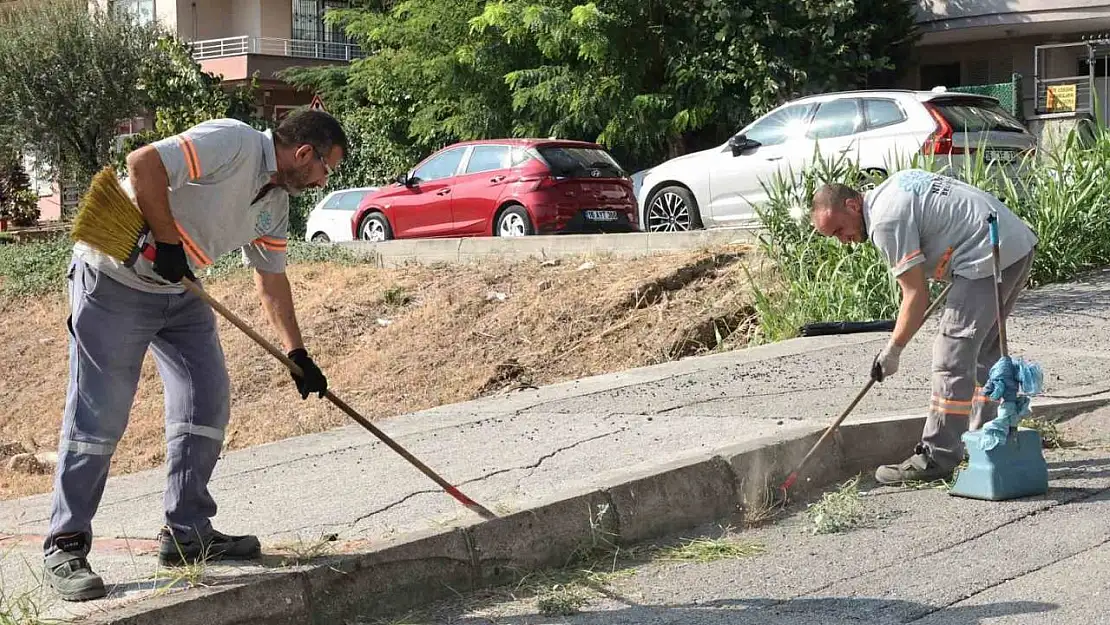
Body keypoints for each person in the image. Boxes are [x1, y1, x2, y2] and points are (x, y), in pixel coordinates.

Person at [43, 108, 348, 602]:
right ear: (304, 153)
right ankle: (66, 542)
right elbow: (143, 162)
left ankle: (186, 533)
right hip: (113, 278)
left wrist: (298, 354)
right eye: (325, 168)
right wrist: (166, 242)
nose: (322, 179)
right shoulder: (233, 142)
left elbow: (271, 278)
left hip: (178, 290)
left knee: (206, 401)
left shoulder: (274, 204)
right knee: (101, 414)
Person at [809, 168, 1037, 486]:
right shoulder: (892, 189)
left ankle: (937, 456)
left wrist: (893, 349)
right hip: (1013, 243)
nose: (843, 240)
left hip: (987, 254)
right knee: (983, 352)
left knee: (951, 354)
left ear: (851, 206)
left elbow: (916, 294)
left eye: (839, 230)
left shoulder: (886, 222)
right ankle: (987, 441)